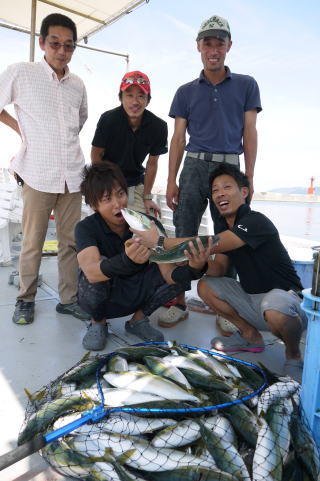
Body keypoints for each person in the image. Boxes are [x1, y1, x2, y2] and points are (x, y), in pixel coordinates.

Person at [132, 163, 307, 383]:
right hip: (254, 301)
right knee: (206, 285)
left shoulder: (256, 221)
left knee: (275, 304)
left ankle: (293, 355)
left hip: (288, 303)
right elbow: (220, 268)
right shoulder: (226, 230)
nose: (220, 193)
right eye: (215, 190)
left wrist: (159, 241)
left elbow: (213, 242)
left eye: (227, 187)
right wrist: (195, 264)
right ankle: (251, 337)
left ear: (244, 192)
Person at [162, 14, 262, 327]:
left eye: (220, 42)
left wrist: (250, 176)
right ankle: (178, 302)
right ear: (198, 47)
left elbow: (250, 131)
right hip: (192, 165)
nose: (213, 49)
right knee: (184, 233)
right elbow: (178, 138)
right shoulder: (185, 91)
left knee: (228, 238)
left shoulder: (247, 85)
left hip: (230, 166)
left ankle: (225, 308)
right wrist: (170, 181)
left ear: (229, 46)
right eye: (208, 42)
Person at [0, 13, 90, 324]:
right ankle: (25, 298)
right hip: (37, 174)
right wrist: (20, 129)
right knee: (32, 242)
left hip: (73, 178)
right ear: (42, 43)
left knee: (70, 242)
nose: (62, 51)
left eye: (68, 46)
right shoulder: (21, 73)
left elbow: (80, 121)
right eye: (55, 44)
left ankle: (69, 299)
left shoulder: (78, 84)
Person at [75, 161, 211, 351]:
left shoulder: (150, 224)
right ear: (93, 205)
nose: (118, 203)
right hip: (105, 296)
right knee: (96, 271)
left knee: (178, 268)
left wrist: (195, 267)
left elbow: (169, 275)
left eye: (120, 194)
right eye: (107, 199)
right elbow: (91, 272)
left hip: (137, 291)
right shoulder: (86, 228)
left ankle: (138, 321)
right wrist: (126, 261)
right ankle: (98, 323)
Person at [91, 71, 168, 217]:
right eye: (129, 95)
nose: (135, 102)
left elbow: (152, 164)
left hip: (134, 186)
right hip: (107, 184)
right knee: (103, 232)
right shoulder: (108, 119)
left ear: (148, 100)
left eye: (141, 96)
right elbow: (96, 155)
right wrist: (102, 190)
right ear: (121, 97)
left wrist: (147, 197)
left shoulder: (159, 126)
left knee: (148, 232)